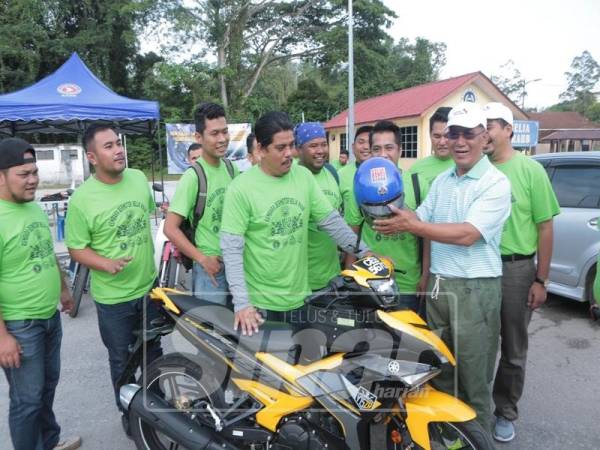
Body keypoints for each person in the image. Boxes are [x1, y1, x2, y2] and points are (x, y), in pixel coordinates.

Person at [372, 102, 511, 432]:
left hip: (475, 288)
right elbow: (421, 216)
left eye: (468, 135)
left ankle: (477, 436)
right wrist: (389, 206)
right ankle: (451, 435)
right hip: (439, 284)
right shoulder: (444, 180)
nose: (460, 142)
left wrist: (413, 226)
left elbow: (468, 234)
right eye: (454, 135)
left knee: (474, 372)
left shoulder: (495, 183)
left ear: (484, 139)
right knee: (442, 365)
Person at [220, 111, 369, 336]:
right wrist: (242, 304)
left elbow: (332, 222)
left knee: (303, 365)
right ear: (260, 149)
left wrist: (367, 254)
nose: (289, 153)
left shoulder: (303, 177)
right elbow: (231, 250)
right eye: (281, 148)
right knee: (264, 370)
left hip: (301, 298)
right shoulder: (240, 189)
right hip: (261, 305)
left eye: (291, 145)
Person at [65, 125, 162, 410]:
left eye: (118, 143)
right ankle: (130, 414)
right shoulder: (82, 199)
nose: (118, 150)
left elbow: (147, 215)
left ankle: (159, 414)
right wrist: (105, 263)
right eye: (108, 146)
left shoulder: (137, 178)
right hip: (113, 299)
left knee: (153, 354)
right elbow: (76, 248)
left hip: (148, 288)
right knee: (122, 359)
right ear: (92, 157)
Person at [483, 102, 560, 442]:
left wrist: (541, 279)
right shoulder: (476, 169)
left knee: (513, 347)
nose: (484, 133)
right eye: (480, 127)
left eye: (490, 126)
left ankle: (505, 411)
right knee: (477, 345)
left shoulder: (531, 171)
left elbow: (545, 228)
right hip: (479, 268)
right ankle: (472, 409)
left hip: (516, 269)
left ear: (508, 130)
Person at [0, 138, 81, 450]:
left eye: (34, 172)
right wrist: (3, 336)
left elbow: (46, 253)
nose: (33, 179)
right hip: (20, 326)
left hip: (48, 316)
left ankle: (49, 444)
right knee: (26, 401)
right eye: (23, 174)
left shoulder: (32, 208)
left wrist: (64, 290)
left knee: (45, 390)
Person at [345, 121, 428, 311]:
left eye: (389, 148)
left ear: (400, 149)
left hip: (408, 283)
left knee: (408, 340)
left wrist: (425, 275)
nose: (383, 154)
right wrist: (349, 277)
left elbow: (427, 236)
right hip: (370, 283)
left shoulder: (417, 184)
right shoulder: (360, 185)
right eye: (376, 149)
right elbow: (352, 236)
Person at [164, 103, 238, 304]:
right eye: (214, 134)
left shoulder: (232, 169)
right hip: (211, 270)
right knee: (210, 330)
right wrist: (203, 259)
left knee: (239, 330)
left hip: (237, 264)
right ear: (199, 137)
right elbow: (170, 229)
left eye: (225, 132)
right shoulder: (193, 177)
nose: (222, 139)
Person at [295, 122, 342, 290]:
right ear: (299, 149)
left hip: (332, 278)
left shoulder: (332, 172)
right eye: (313, 146)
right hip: (301, 283)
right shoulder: (291, 177)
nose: (320, 150)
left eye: (323, 144)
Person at [407, 106, 454, 190]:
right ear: (430, 135)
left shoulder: (466, 167)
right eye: (437, 136)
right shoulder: (416, 170)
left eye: (447, 136)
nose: (442, 142)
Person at [339, 126, 372, 216]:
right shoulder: (340, 174)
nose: (365, 147)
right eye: (361, 142)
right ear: (353, 147)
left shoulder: (386, 172)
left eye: (370, 142)